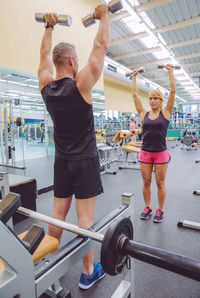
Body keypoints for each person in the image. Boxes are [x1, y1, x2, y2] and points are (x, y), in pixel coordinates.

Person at [37, 5, 109, 289]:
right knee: (85, 218)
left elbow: (43, 56)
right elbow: (101, 45)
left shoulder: (45, 86)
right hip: (85, 160)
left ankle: (47, 264)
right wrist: (106, 17)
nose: (79, 62)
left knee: (57, 213)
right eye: (76, 59)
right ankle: (88, 270)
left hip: (62, 161)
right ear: (69, 60)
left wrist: (48, 27)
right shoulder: (81, 84)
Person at [131, 64, 175, 223]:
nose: (152, 101)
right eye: (150, 98)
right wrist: (134, 76)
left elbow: (172, 92)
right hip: (145, 152)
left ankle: (160, 210)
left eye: (155, 98)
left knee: (160, 183)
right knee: (146, 182)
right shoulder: (144, 114)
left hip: (161, 152)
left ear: (160, 100)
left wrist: (170, 72)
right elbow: (135, 95)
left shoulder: (166, 112)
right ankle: (147, 207)